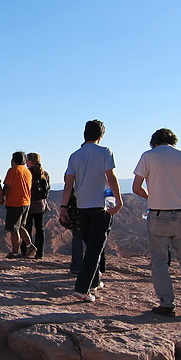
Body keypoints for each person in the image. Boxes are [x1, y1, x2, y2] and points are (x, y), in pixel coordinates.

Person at [132, 128, 181, 318]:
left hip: (158, 214)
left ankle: (167, 304)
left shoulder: (148, 156)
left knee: (159, 260)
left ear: (154, 142)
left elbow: (136, 187)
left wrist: (152, 197)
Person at [60, 120, 123, 303]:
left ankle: (94, 281)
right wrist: (118, 201)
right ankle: (82, 288)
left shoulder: (75, 155)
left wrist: (64, 207)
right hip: (101, 206)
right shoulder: (105, 152)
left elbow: (68, 183)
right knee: (95, 248)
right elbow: (111, 177)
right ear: (101, 135)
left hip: (82, 207)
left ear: (84, 134)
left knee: (91, 245)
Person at [2, 151, 36, 259]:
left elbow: (7, 186)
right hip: (26, 202)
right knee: (20, 226)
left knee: (14, 229)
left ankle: (15, 252)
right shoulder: (27, 171)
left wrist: (1, 197)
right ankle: (30, 246)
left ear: (13, 160)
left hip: (15, 202)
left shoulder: (13, 170)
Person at [21, 152, 50, 259]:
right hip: (41, 205)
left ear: (31, 161)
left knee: (26, 227)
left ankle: (25, 250)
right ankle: (40, 253)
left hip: (29, 203)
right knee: (40, 229)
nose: (26, 162)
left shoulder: (28, 173)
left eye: (27, 160)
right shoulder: (44, 173)